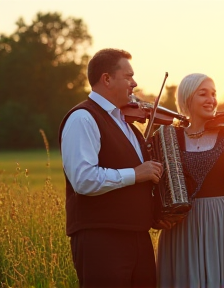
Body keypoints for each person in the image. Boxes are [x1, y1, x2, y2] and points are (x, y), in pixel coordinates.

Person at [58, 48, 163, 288]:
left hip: (137, 236)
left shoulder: (127, 125)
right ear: (106, 79)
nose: (134, 83)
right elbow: (83, 180)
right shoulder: (83, 118)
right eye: (128, 76)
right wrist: (136, 174)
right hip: (100, 238)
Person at [156, 73, 224, 288]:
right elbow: (157, 186)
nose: (211, 99)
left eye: (214, 94)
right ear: (188, 98)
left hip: (219, 221)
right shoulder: (169, 137)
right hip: (181, 226)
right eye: (203, 93)